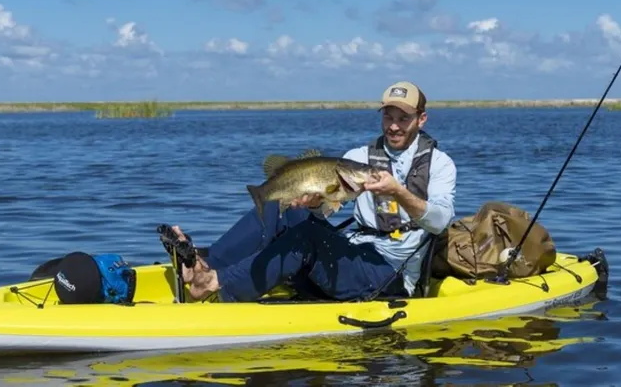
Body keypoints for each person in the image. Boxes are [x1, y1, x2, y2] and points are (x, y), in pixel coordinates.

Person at [167, 81, 457, 303]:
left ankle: (219, 284)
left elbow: (441, 222)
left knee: (307, 238)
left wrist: (398, 192)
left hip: (389, 274)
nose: (393, 126)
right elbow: (328, 206)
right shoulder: (359, 156)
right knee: (276, 209)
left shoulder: (440, 165)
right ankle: (204, 266)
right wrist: (313, 205)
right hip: (353, 252)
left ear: (421, 119)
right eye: (388, 117)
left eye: (403, 118)